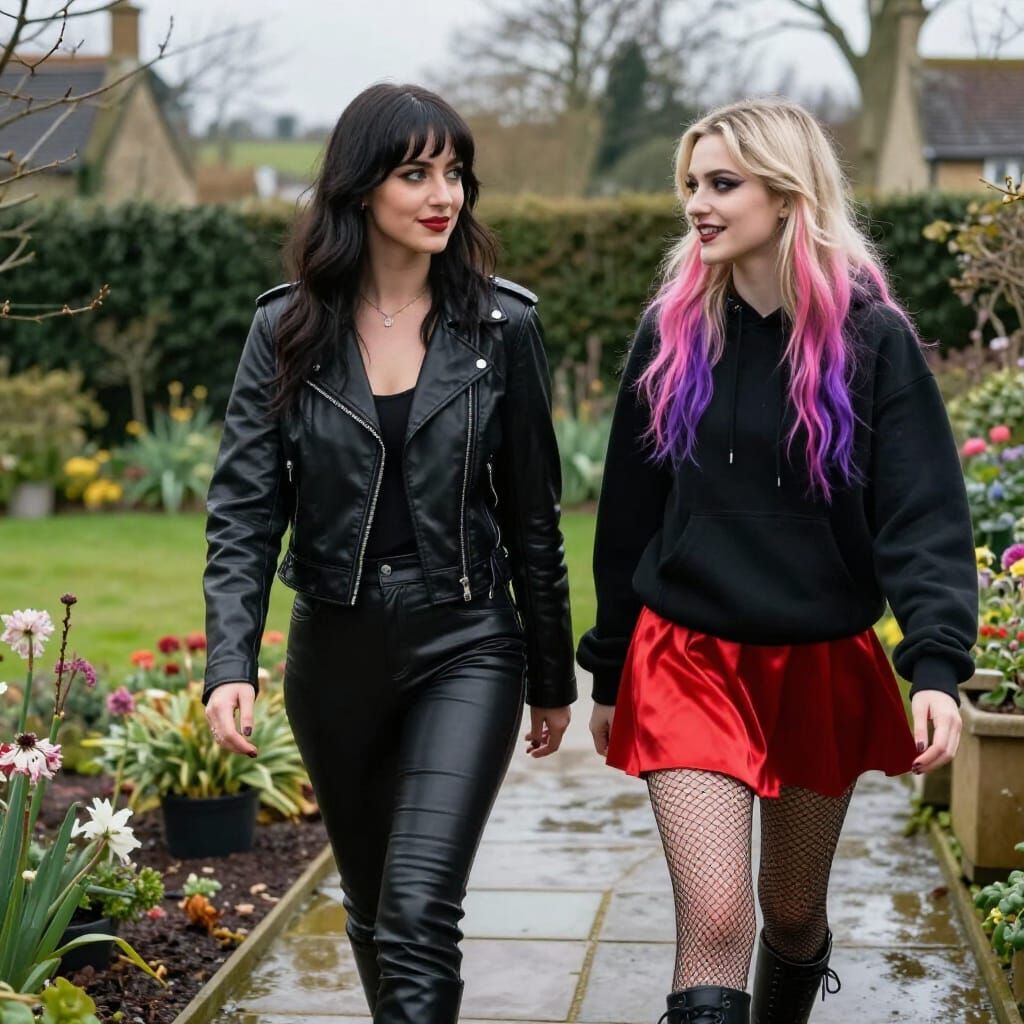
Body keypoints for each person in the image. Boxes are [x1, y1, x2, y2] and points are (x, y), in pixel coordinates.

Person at [576, 98, 977, 1024]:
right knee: (715, 919)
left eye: (722, 184)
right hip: (688, 660)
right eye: (691, 185)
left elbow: (922, 517)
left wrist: (936, 665)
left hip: (820, 664)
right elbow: (628, 522)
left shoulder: (873, 343)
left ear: (790, 196)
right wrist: (608, 672)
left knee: (790, 916)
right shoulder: (670, 339)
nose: (697, 205)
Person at [201, 83, 575, 1024]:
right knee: (372, 912)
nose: (443, 192)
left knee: (415, 911)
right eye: (416, 172)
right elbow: (245, 508)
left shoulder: (504, 329)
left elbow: (535, 515)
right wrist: (229, 662)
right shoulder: (286, 330)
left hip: (468, 641)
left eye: (454, 172)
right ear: (363, 186)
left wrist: (550, 672)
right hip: (336, 649)